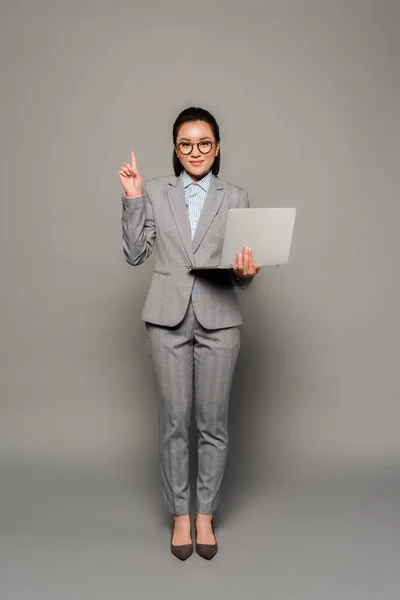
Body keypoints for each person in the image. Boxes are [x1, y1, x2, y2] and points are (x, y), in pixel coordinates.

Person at [118, 106, 260, 561]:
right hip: (166, 319)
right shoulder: (156, 191)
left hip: (221, 318)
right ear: (176, 149)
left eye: (204, 143)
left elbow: (242, 274)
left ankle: (205, 516)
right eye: (186, 144)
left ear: (217, 148)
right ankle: (181, 514)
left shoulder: (236, 196)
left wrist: (247, 271)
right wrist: (133, 198)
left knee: (212, 425)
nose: (195, 151)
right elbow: (136, 253)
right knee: (175, 423)